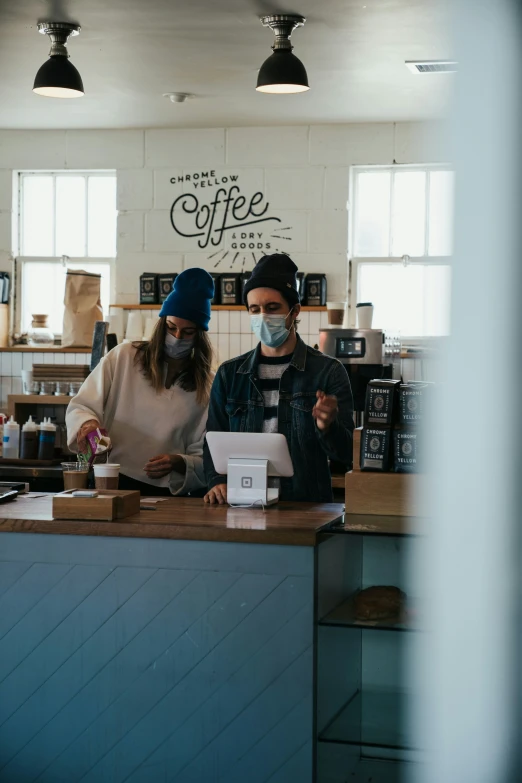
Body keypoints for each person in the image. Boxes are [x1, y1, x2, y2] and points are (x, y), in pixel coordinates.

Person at [203, 254, 354, 504]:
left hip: (306, 506)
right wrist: (216, 481)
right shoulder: (230, 375)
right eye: (255, 309)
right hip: (244, 502)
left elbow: (348, 454)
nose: (263, 316)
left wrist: (328, 427)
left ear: (294, 311)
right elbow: (212, 440)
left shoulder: (328, 372)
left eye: (272, 308)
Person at [66, 268, 214, 496]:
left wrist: (178, 461)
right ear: (162, 324)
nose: (177, 338)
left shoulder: (205, 385)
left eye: (188, 332)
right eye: (171, 327)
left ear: (199, 336)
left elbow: (203, 452)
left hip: (166, 491)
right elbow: (82, 405)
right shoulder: (125, 357)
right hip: (112, 479)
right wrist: (88, 424)